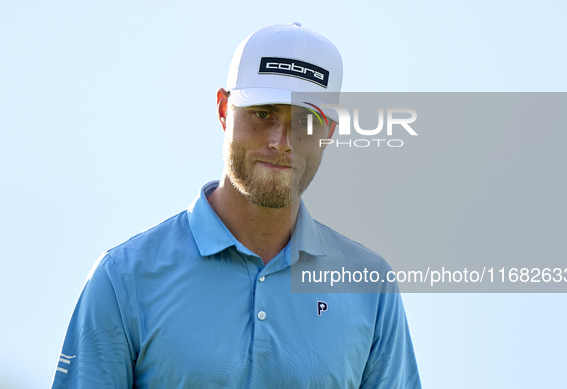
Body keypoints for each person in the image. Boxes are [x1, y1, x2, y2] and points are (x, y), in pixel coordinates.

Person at [52, 22, 421, 388]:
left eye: (306, 121)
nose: (281, 141)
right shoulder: (124, 277)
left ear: (329, 135)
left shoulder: (370, 289)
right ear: (224, 109)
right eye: (263, 114)